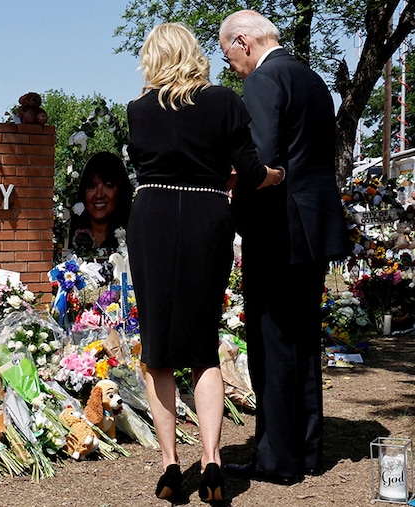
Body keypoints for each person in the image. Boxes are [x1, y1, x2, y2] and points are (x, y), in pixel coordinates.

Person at [125, 23, 284, 502]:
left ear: (153, 58)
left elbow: (148, 161)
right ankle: (212, 461)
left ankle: (172, 466)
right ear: (193, 54)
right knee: (202, 345)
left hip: (150, 218)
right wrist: (276, 176)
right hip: (206, 216)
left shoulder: (138, 110)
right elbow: (251, 171)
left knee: (157, 351)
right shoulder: (223, 102)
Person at [219, 10, 349, 485]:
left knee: (273, 343)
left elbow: (263, 161)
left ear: (244, 43)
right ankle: (309, 451)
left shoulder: (263, 81)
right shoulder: (314, 80)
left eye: (227, 53)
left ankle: (277, 459)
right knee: (303, 341)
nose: (230, 65)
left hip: (277, 229)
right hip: (313, 229)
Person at [69, 151, 133, 256]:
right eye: (91, 186)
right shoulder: (67, 238)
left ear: (120, 190)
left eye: (108, 185)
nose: (99, 195)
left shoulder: (134, 238)